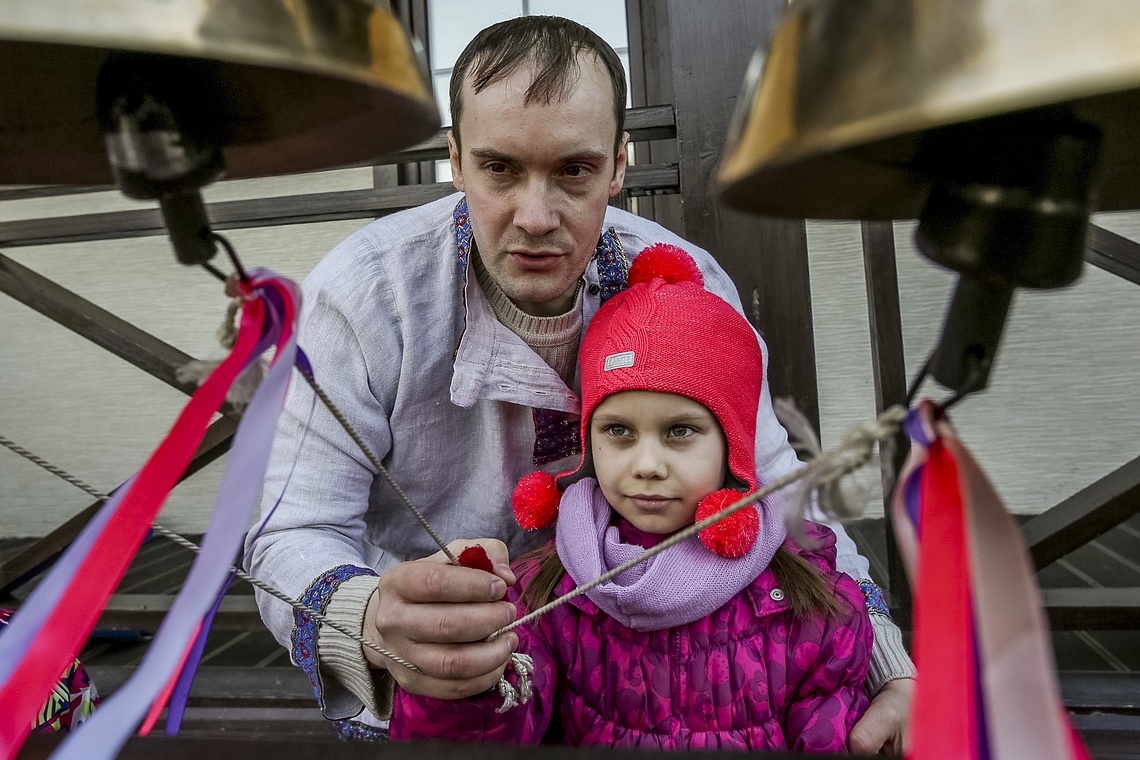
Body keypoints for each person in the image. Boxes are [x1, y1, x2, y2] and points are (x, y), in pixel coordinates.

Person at [245, 14, 914, 751]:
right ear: (456, 161)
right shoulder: (363, 296)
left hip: (656, 686)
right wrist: (374, 622)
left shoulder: (687, 283)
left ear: (619, 164)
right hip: (439, 694)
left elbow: (776, 488)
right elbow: (293, 529)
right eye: (499, 168)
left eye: (574, 170)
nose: (535, 218)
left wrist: (887, 664)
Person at [389, 244, 873, 750]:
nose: (646, 464)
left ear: (734, 448)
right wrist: (468, 679)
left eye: (681, 431)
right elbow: (488, 735)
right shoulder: (546, 595)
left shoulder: (810, 603)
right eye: (619, 430)